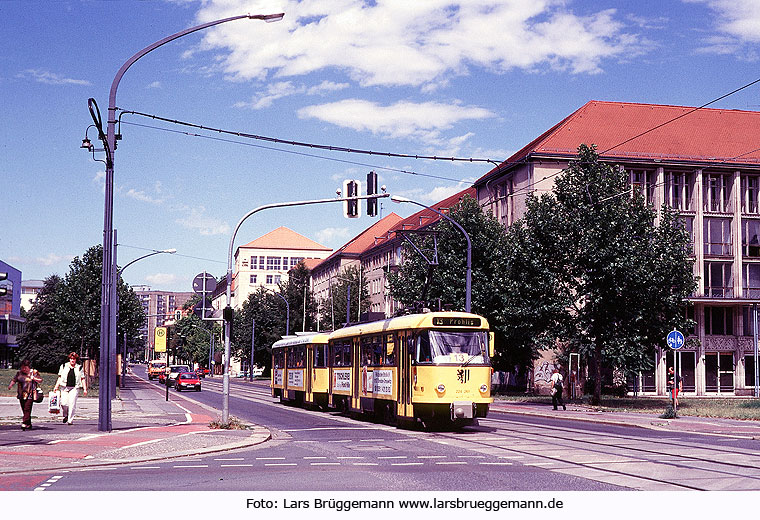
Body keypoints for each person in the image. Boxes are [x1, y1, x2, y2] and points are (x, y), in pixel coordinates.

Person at [53, 352, 88, 425]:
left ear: (76, 360)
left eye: (74, 359)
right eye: (71, 359)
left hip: (74, 387)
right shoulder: (63, 366)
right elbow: (59, 377)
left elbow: (82, 378)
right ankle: (66, 415)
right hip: (64, 387)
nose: (72, 360)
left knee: (72, 403)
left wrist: (85, 389)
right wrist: (56, 386)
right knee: (64, 403)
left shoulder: (79, 367)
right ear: (69, 359)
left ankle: (70, 420)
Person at [8, 359, 43, 430]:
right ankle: (28, 423)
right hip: (21, 394)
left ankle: (24, 423)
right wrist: (10, 385)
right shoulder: (19, 373)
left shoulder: (34, 372)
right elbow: (14, 380)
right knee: (24, 409)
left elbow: (40, 380)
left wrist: (34, 378)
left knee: (27, 408)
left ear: (28, 367)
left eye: (25, 367)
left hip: (30, 394)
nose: (23, 369)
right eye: (22, 367)